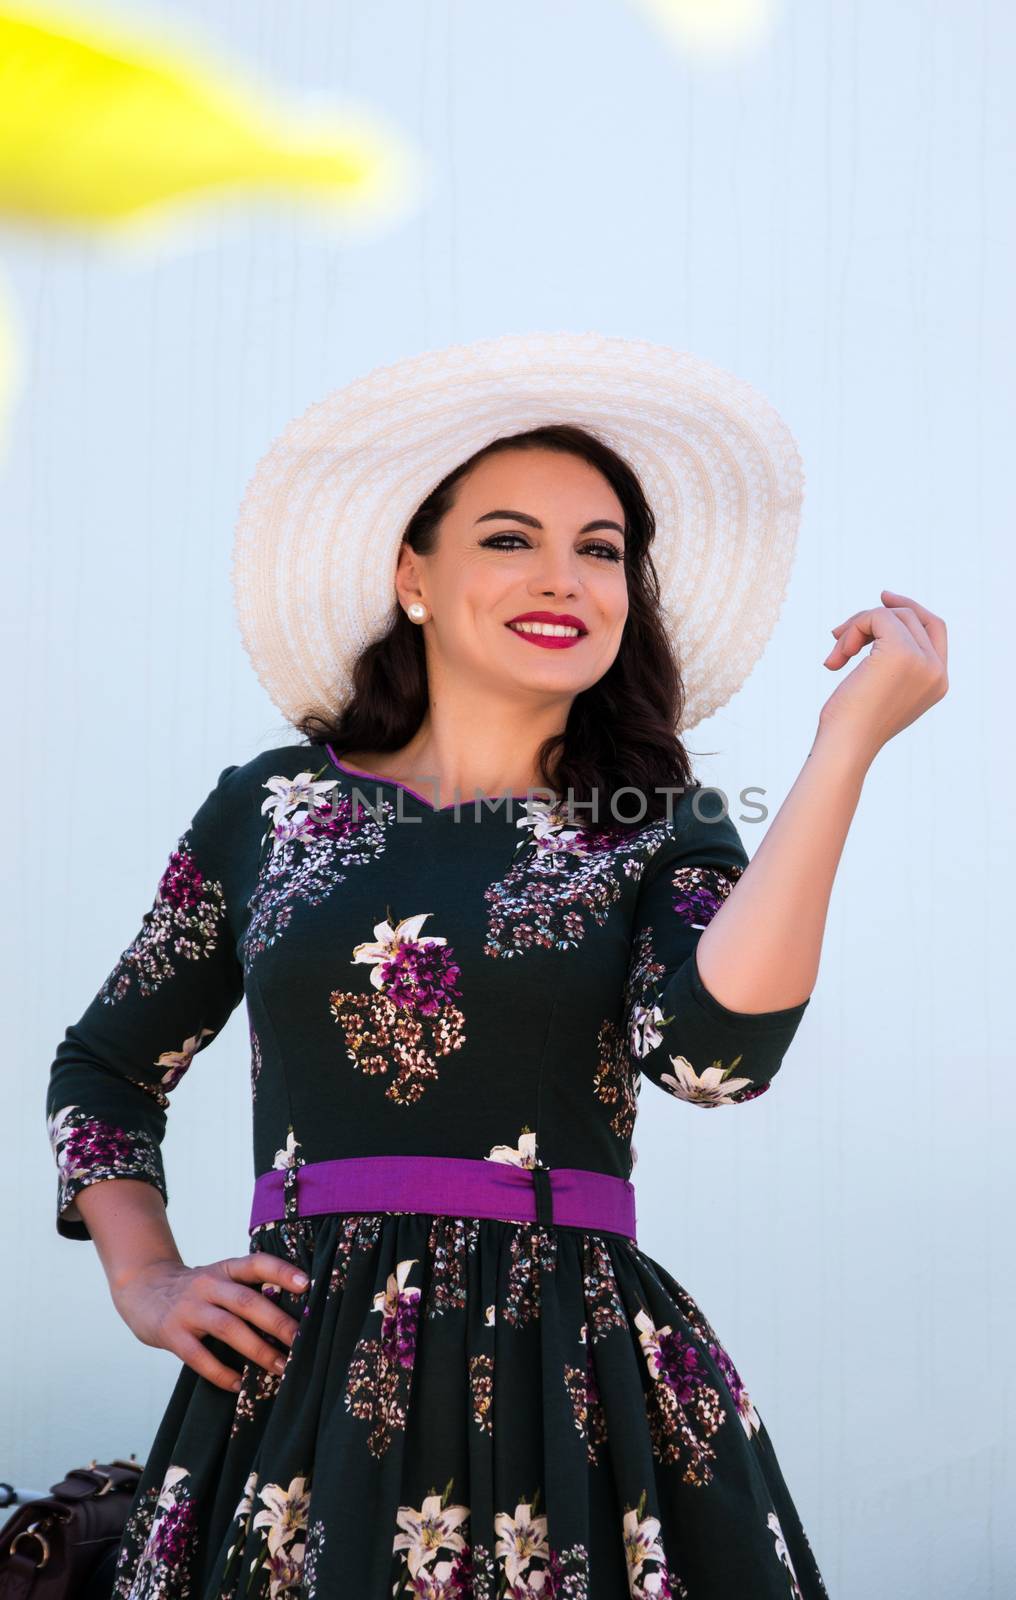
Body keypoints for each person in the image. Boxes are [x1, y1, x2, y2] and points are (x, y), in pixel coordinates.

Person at [45, 332, 947, 1598]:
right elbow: (105, 1064)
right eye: (510, 537)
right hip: (299, 1388)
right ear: (413, 571)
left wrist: (841, 750)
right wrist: (144, 1274)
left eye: (599, 548)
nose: (563, 576)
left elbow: (714, 1059)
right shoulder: (269, 808)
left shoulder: (657, 819)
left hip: (574, 1387)